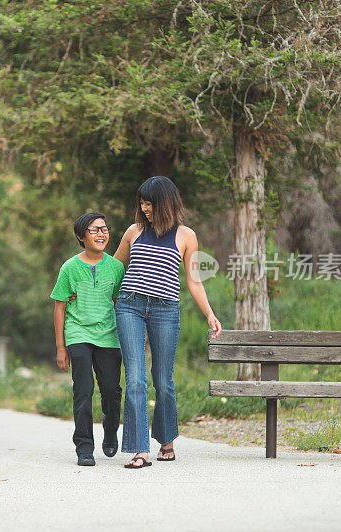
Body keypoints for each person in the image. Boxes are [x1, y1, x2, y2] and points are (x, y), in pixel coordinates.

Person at [113, 176, 222, 469]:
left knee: (163, 380)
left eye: (149, 202)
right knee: (135, 377)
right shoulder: (133, 231)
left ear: (164, 203)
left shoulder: (186, 236)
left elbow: (194, 282)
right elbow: (114, 269)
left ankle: (166, 440)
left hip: (165, 309)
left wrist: (209, 314)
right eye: (142, 202)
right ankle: (140, 449)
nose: (144, 207)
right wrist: (84, 287)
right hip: (129, 306)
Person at [51, 212, 126, 466]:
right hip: (78, 333)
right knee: (83, 391)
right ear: (81, 237)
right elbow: (60, 306)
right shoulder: (70, 268)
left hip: (109, 335)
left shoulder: (116, 267)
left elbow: (118, 303)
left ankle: (111, 431)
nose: (101, 234)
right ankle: (84, 447)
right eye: (94, 230)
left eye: (104, 229)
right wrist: (61, 347)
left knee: (112, 391)